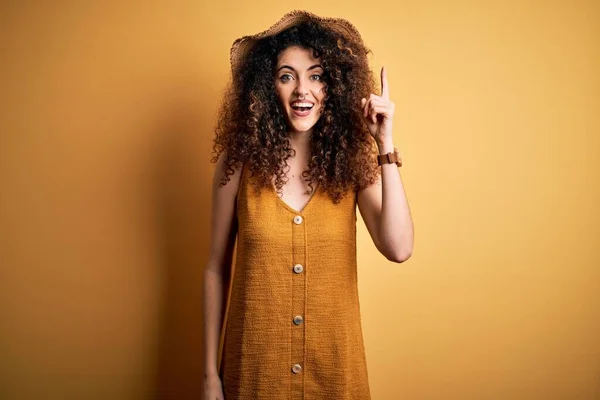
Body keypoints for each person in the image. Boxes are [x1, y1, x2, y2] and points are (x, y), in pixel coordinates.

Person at [203, 9, 414, 399]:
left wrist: (384, 145)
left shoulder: (352, 163)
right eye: (287, 76)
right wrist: (209, 378)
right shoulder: (238, 163)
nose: (303, 90)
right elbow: (217, 269)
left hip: (334, 374)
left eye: (316, 76)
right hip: (254, 375)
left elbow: (399, 248)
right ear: (269, 88)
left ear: (333, 87)